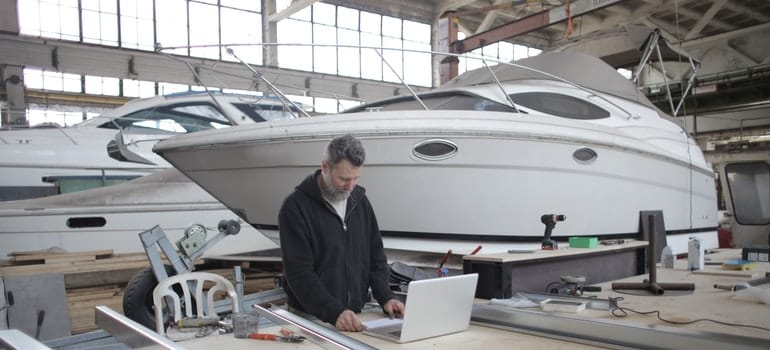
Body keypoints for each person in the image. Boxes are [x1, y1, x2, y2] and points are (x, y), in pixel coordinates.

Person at [278, 134, 405, 331]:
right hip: (310, 318)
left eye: (356, 178)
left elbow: (375, 256)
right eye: (344, 179)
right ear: (325, 167)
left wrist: (386, 296)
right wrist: (333, 311)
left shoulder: (360, 201)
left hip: (354, 316)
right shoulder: (295, 208)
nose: (350, 186)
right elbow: (299, 274)